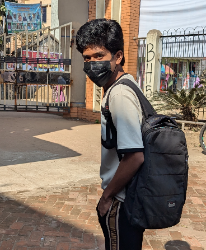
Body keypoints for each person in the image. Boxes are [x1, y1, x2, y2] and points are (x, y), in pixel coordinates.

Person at [76, 19, 145, 250]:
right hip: (130, 196)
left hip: (121, 199)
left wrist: (107, 197)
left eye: (99, 56)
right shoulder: (126, 85)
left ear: (118, 57)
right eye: (87, 58)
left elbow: (135, 156)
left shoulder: (119, 95)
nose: (92, 64)